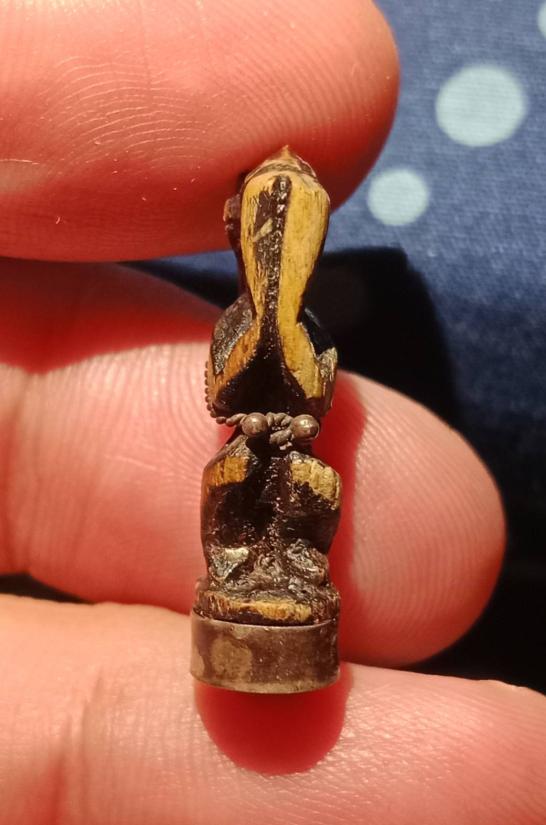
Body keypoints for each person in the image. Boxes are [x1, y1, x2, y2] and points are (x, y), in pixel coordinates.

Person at [0, 1, 544, 822]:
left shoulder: (306, 328)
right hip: (250, 444)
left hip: (291, 448)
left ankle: (292, 575)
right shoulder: (237, 323)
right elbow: (221, 392)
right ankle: (237, 575)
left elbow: (316, 386)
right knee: (227, 483)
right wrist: (254, 409)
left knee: (314, 490)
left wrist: (295, 413)